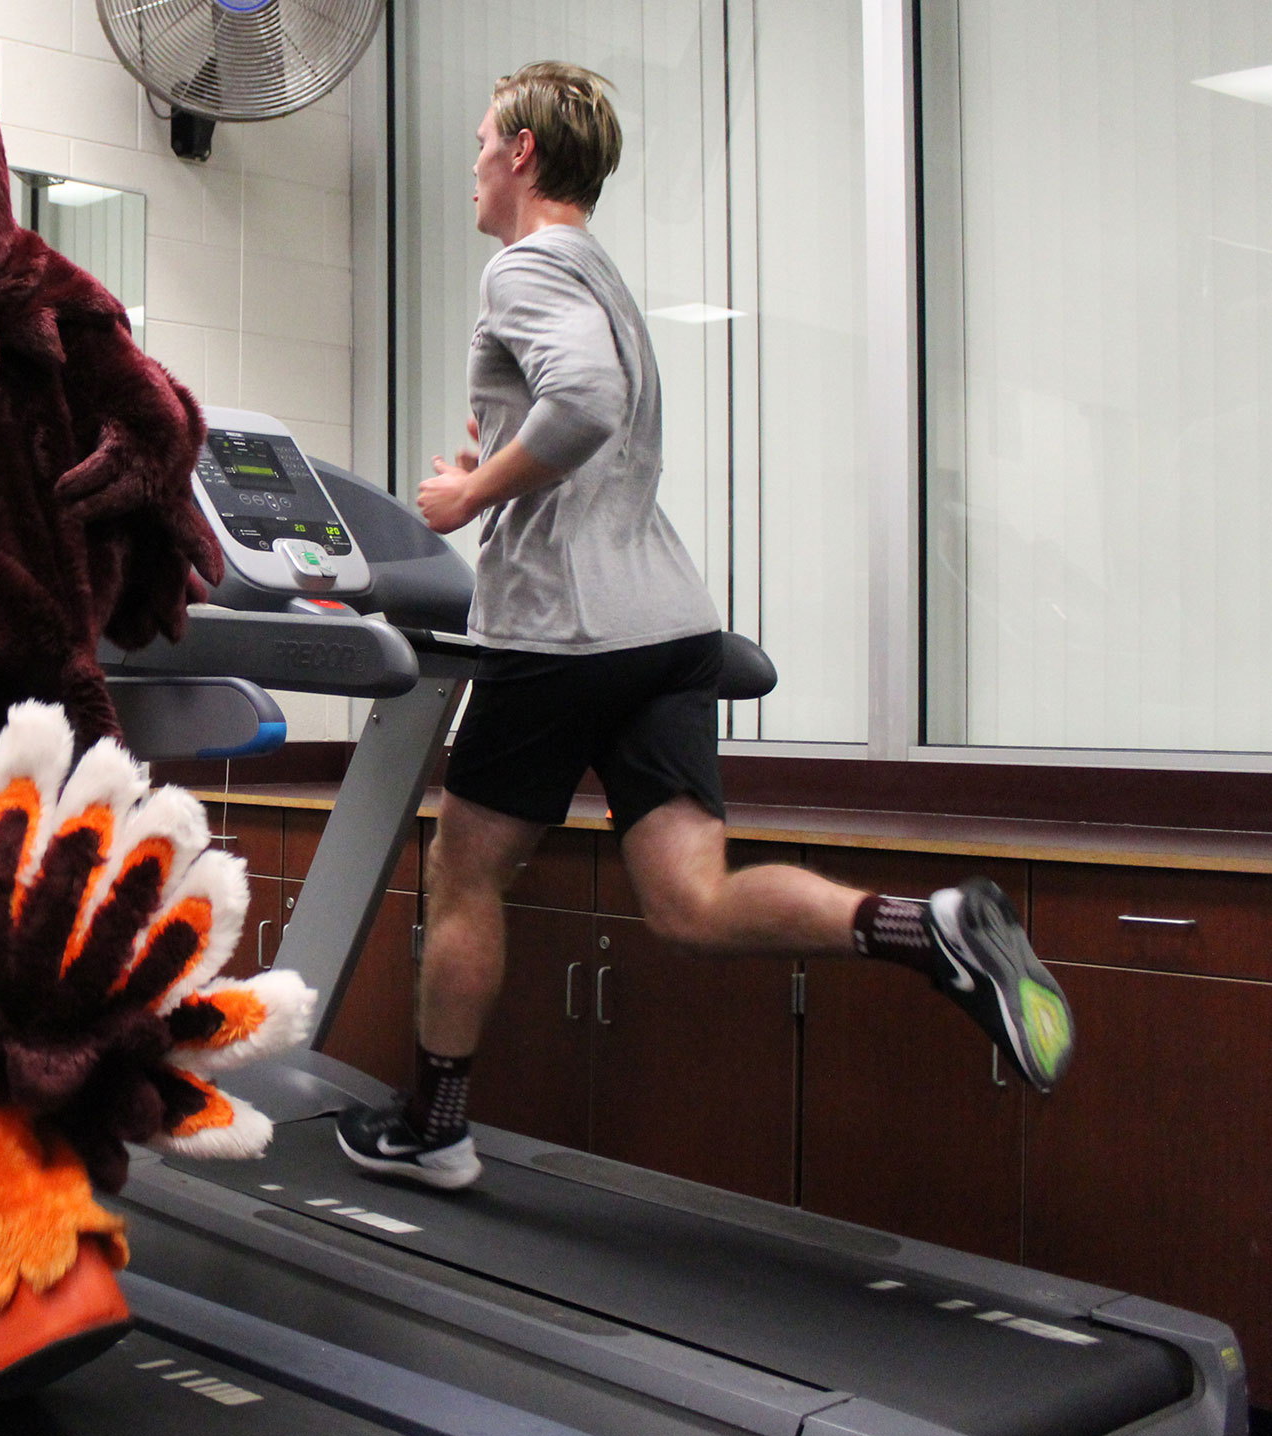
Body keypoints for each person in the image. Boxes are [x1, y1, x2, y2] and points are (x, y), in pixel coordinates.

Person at [337, 62, 1077, 1192]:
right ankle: (922, 927)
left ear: (524, 152)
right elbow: (593, 419)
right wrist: (497, 468)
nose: (474, 162)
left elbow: (579, 401)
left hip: (566, 635)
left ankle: (434, 1127)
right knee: (690, 900)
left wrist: (468, 501)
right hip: (669, 624)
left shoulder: (525, 264)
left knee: (467, 866)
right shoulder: (607, 281)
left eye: (484, 140)